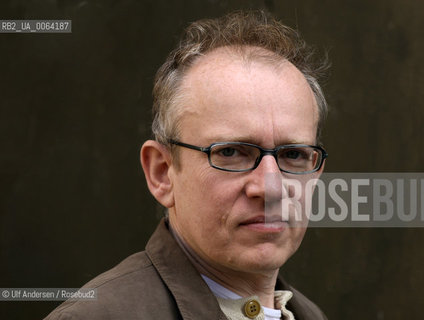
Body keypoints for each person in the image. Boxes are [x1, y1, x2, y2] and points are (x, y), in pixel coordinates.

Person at [45, 10, 328, 320]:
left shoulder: (309, 314)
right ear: (162, 173)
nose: (270, 188)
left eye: (294, 155)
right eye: (232, 152)